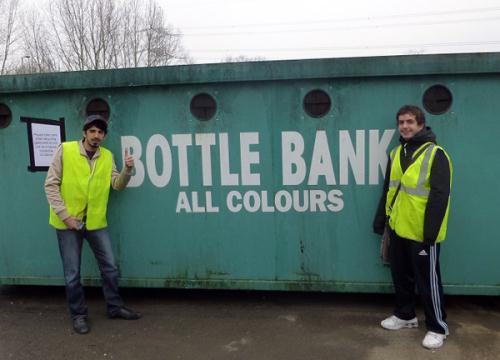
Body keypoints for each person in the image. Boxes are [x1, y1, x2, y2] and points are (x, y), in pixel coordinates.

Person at [45, 114, 141, 335]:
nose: (96, 136)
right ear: (84, 133)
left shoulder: (107, 156)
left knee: (110, 268)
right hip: (67, 223)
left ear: (104, 136)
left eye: (100, 132)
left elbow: (117, 185)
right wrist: (66, 216)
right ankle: (79, 316)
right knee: (72, 274)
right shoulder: (66, 150)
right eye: (92, 131)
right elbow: (50, 185)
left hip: (96, 223)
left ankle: (114, 308)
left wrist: (127, 170)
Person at [373, 105, 452, 349]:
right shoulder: (396, 153)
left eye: (409, 121)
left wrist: (430, 232)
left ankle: (438, 327)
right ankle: (405, 315)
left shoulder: (437, 154)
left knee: (428, 281)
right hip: (398, 228)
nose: (405, 126)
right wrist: (381, 220)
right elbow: (388, 188)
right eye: (401, 122)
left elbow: (440, 196)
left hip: (422, 233)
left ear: (420, 124)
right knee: (401, 276)